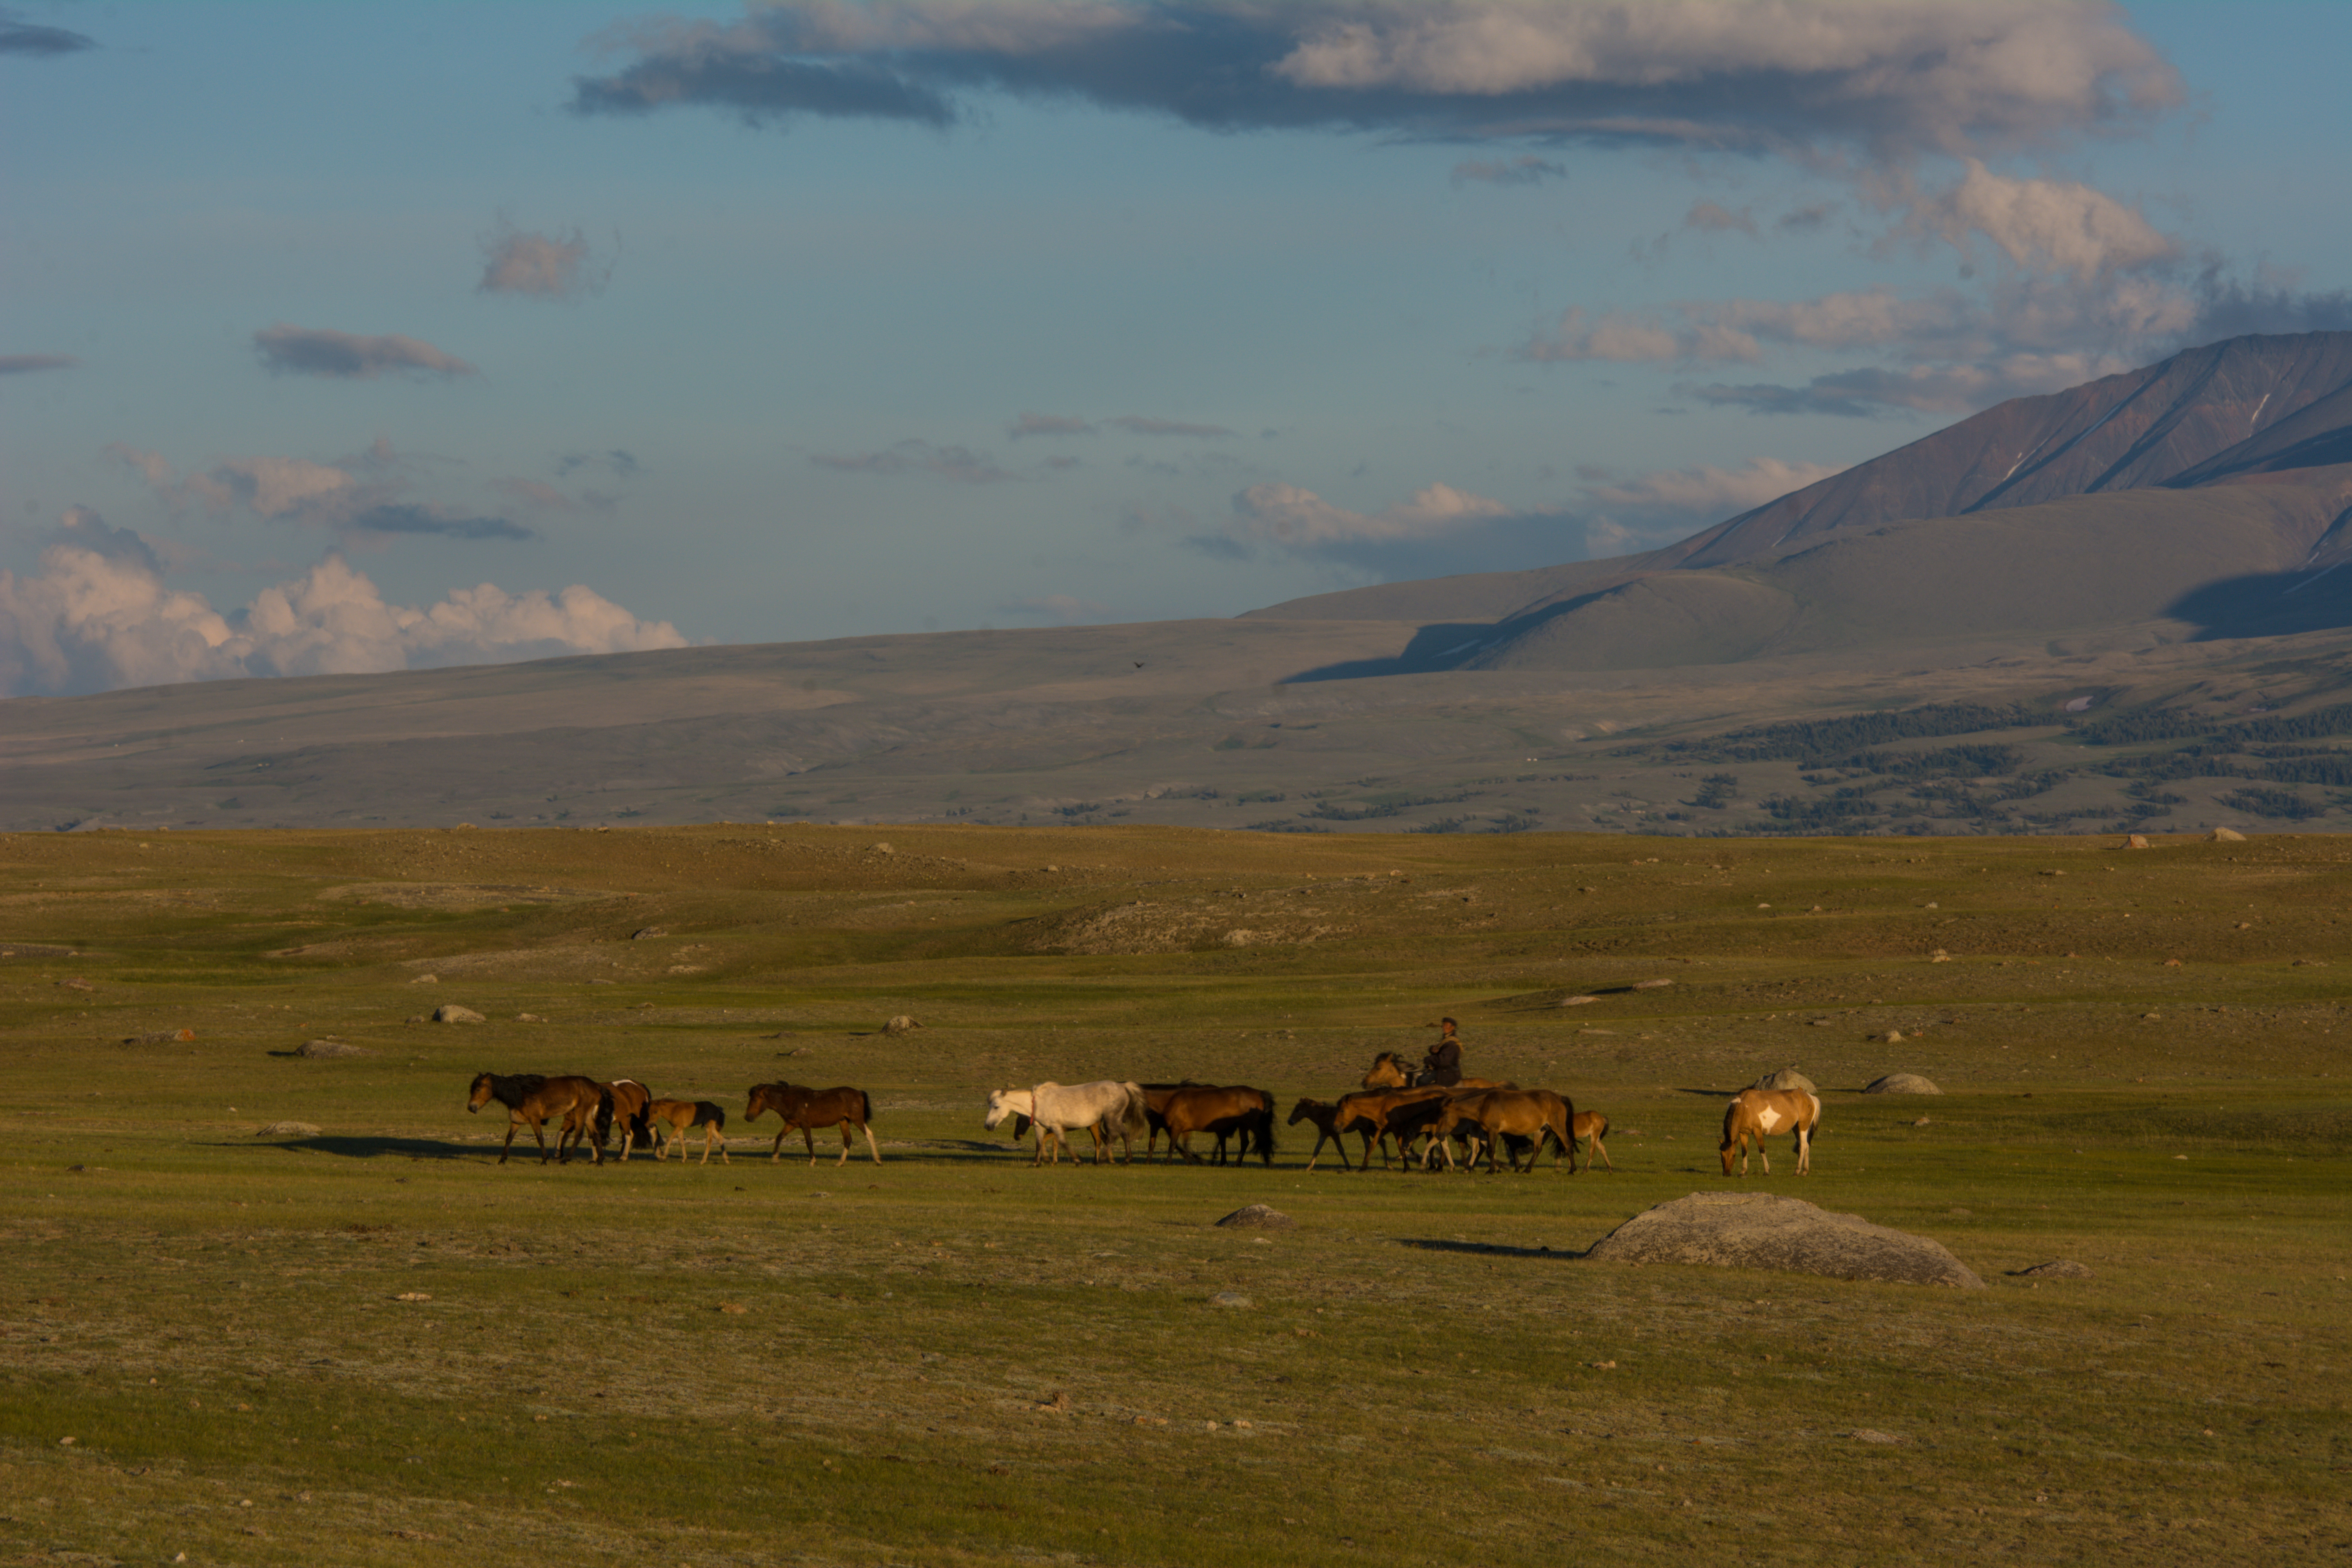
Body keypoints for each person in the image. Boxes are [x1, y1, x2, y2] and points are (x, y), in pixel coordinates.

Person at [1422, 1018, 1463, 1087]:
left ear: (1453, 1027)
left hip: (1448, 1074)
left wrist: (1428, 1059)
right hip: (1446, 1070)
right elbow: (1444, 1053)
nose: (1443, 1027)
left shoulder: (1451, 1044)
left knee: (1422, 1080)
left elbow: (1443, 1061)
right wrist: (1434, 1050)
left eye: (1446, 1025)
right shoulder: (1447, 1040)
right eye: (1443, 1025)